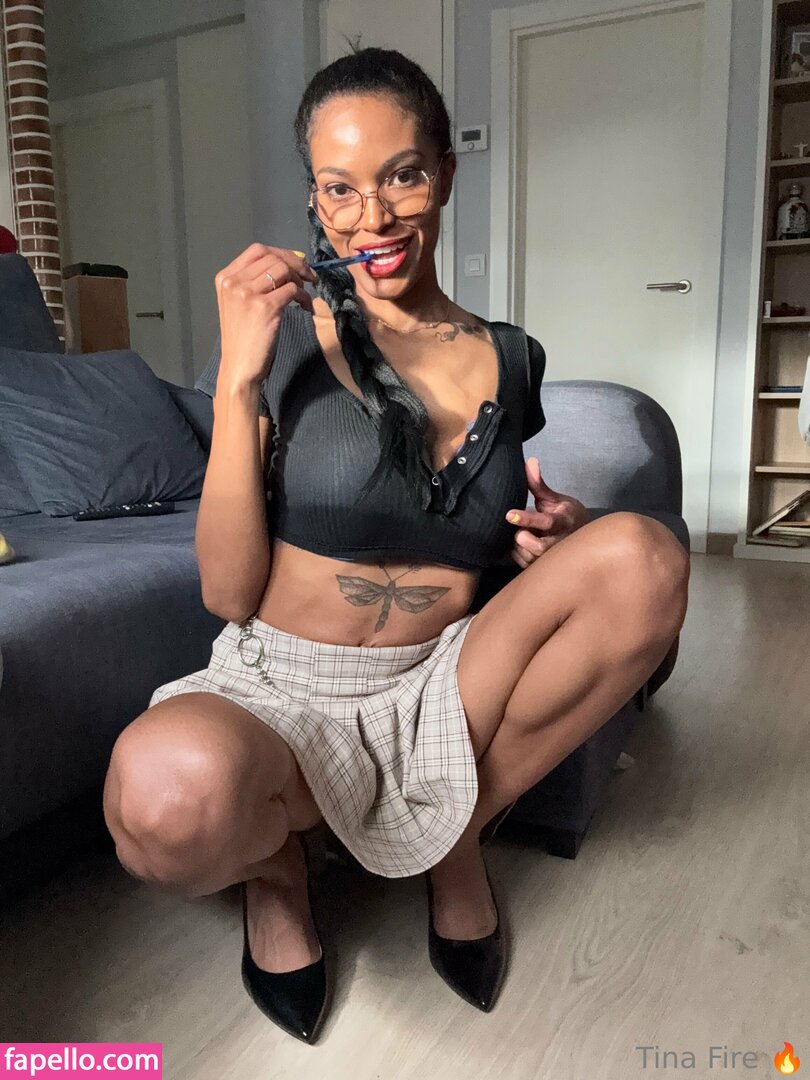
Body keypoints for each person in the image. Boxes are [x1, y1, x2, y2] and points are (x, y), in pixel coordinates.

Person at [101, 47, 689, 1045]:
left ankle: (451, 834)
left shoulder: (513, 357)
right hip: (281, 691)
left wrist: (556, 536)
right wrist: (237, 377)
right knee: (162, 805)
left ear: (444, 175)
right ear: (314, 200)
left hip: (447, 682)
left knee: (646, 557)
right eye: (340, 188)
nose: (371, 216)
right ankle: (277, 873)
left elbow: (488, 545)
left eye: (401, 175)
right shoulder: (281, 339)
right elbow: (227, 592)